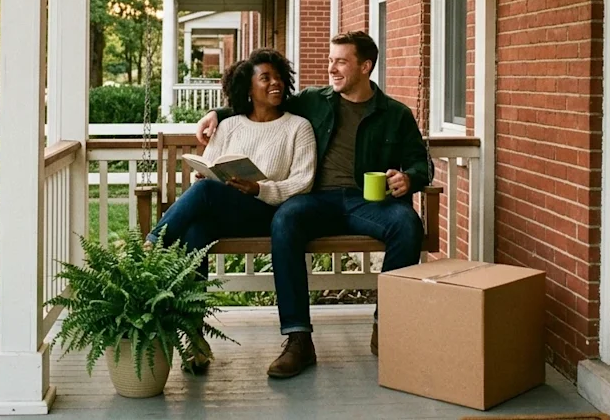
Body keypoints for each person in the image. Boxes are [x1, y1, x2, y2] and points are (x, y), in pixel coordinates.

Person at [195, 31, 432, 379]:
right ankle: (298, 340)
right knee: (286, 220)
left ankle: (388, 324)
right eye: (330, 60)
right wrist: (218, 112)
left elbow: (422, 163)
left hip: (368, 202)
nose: (331, 68)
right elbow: (264, 102)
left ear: (365, 67)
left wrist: (409, 178)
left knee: (407, 223)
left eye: (341, 61)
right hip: (315, 199)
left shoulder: (395, 114)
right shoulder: (313, 100)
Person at [147, 48, 316, 373]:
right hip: (227, 210)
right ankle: (196, 337)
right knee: (196, 230)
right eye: (265, 78)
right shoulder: (230, 125)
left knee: (206, 192)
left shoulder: (298, 127)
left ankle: (154, 242)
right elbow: (211, 164)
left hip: (270, 212)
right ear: (247, 89)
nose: (275, 83)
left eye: (279, 77)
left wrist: (260, 188)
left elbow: (303, 182)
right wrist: (206, 173)